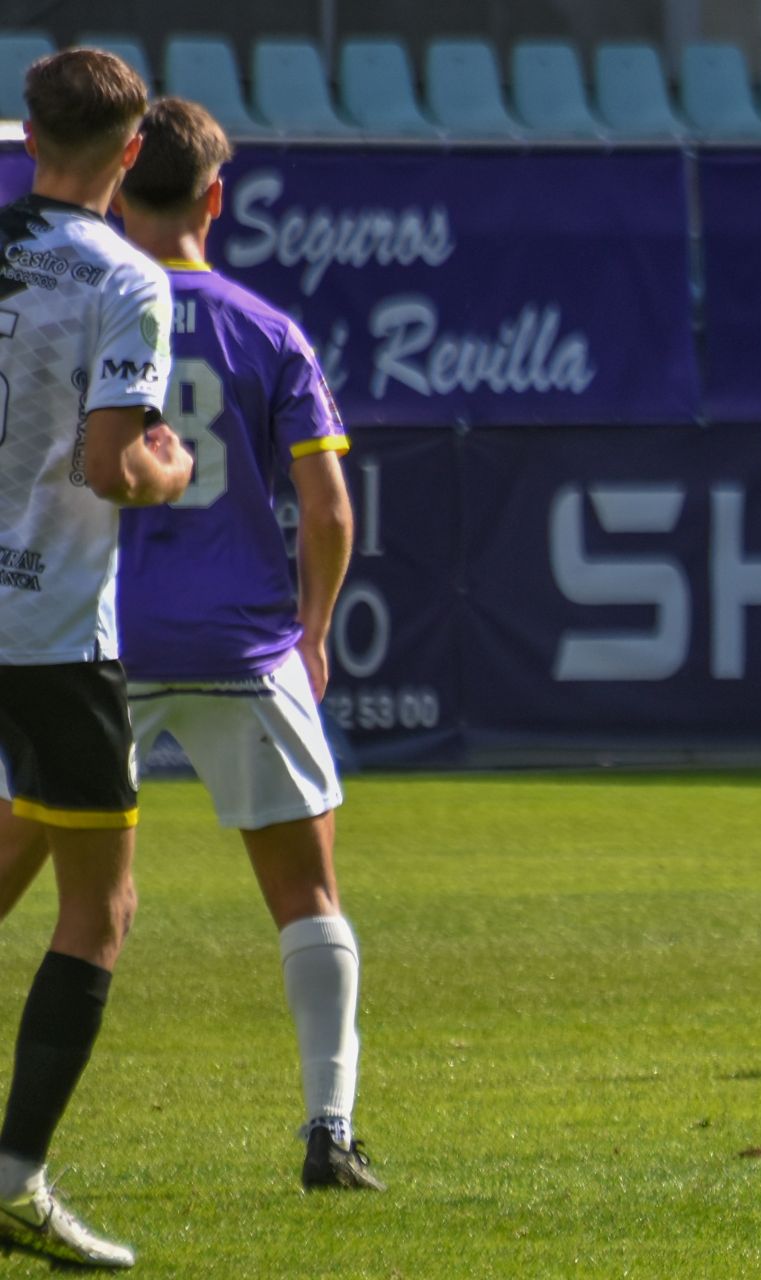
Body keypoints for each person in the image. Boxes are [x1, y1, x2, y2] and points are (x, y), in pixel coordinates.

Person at [0, 96, 381, 1194]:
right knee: (306, 892)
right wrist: (313, 630)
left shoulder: (75, 294)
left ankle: (26, 1154)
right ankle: (329, 1129)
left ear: (125, 181)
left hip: (92, 637)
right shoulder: (267, 330)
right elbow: (328, 508)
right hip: (239, 644)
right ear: (218, 197)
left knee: (27, 870)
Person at [0, 48, 195, 1270]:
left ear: (28, 136)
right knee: (99, 905)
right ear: (132, 155)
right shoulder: (128, 278)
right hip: (52, 630)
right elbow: (114, 465)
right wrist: (171, 469)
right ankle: (15, 1174)